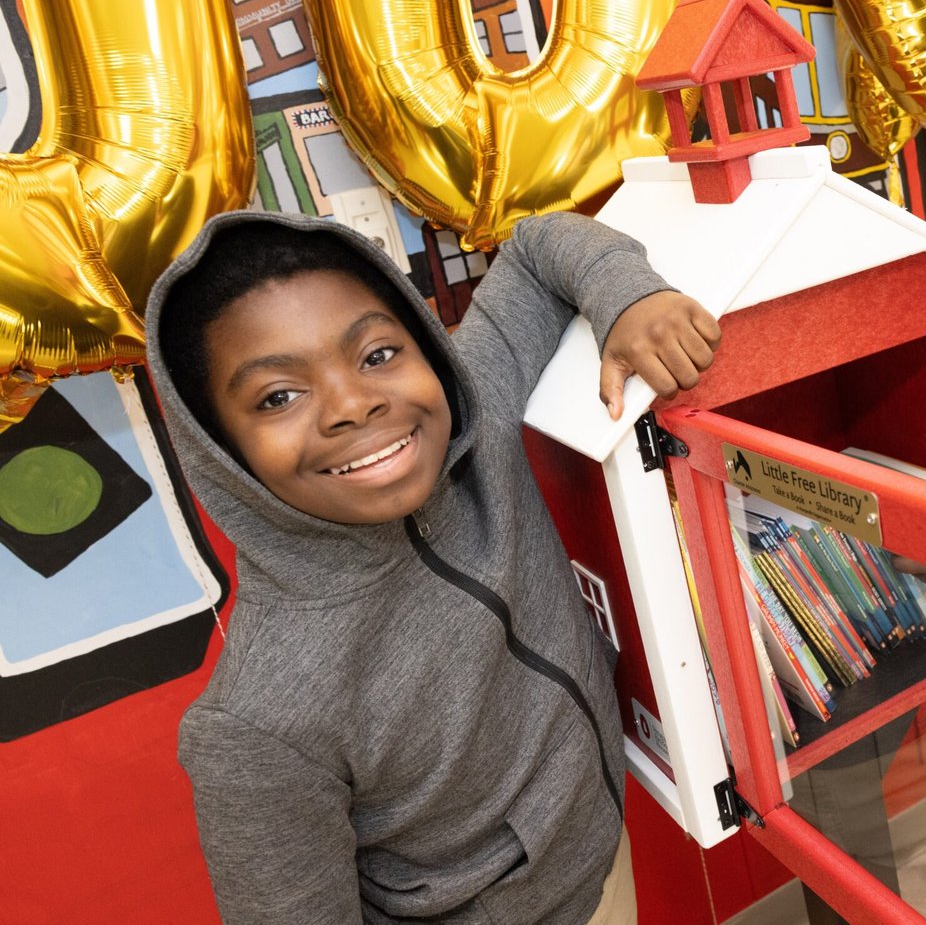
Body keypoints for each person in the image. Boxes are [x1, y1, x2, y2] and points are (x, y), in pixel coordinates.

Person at [147, 208, 720, 924]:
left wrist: (629, 292)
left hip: (599, 865)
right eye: (279, 397)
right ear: (221, 451)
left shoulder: (472, 412)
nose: (354, 405)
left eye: (378, 354)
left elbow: (537, 244)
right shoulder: (255, 725)